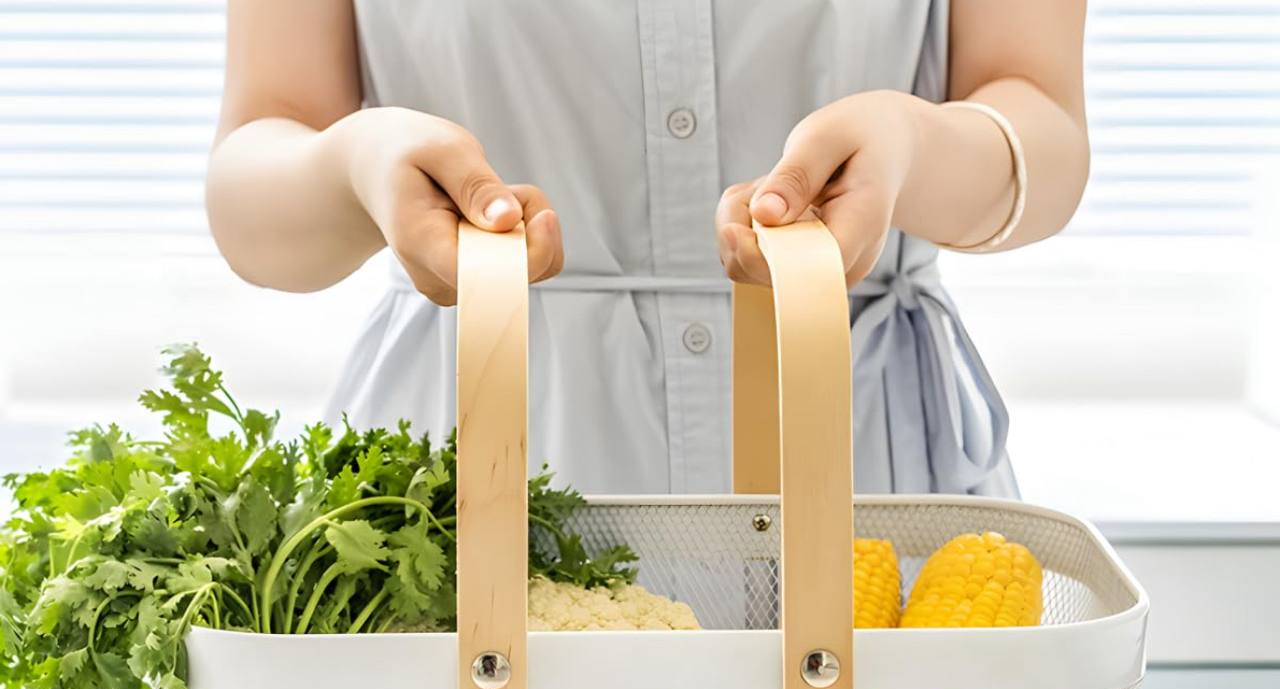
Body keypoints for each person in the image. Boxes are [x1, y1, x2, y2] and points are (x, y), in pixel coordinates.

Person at [207, 0, 1088, 496]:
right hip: (462, 493)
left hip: (870, 481)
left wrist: (916, 147)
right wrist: (357, 163)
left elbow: (1045, 131)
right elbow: (253, 178)